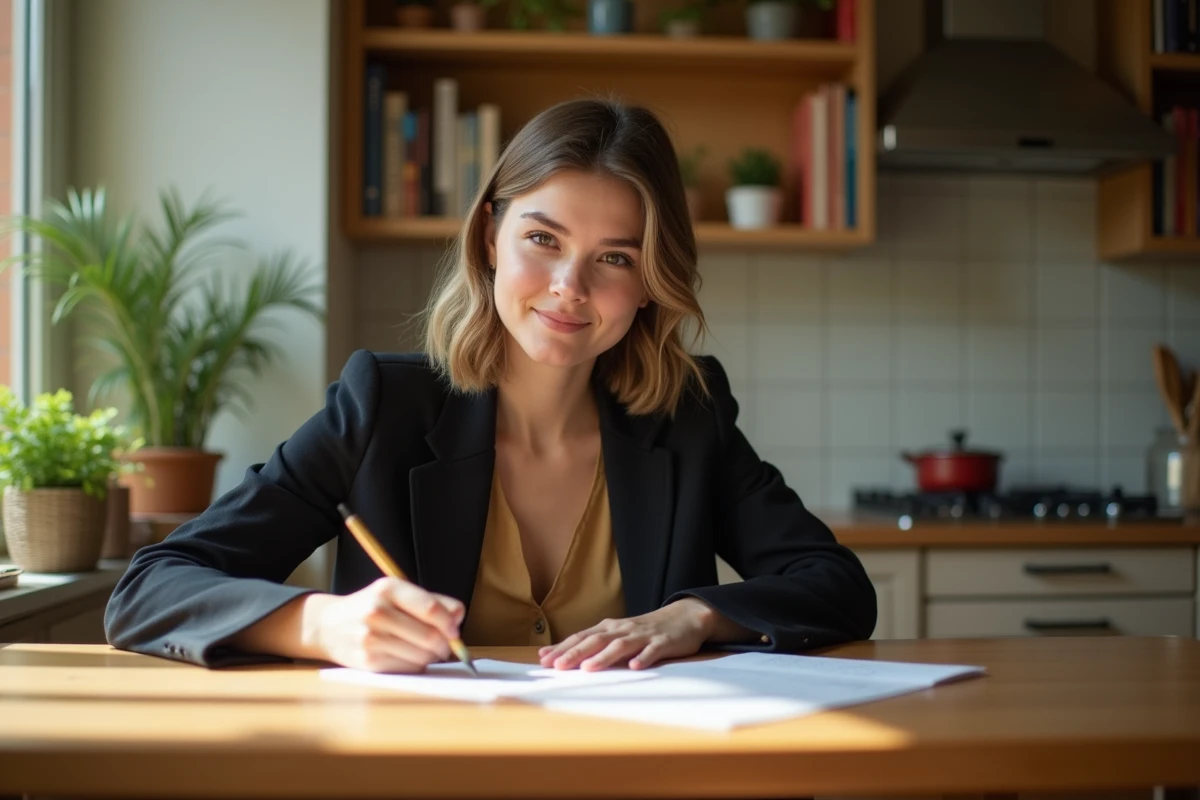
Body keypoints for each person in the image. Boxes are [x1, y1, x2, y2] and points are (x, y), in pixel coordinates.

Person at [104, 97, 876, 674]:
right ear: (489, 240)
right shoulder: (383, 406)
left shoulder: (688, 415)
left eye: (616, 257)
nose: (569, 287)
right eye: (543, 239)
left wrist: (696, 615)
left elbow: (836, 586)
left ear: (651, 281)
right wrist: (320, 625)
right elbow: (151, 588)